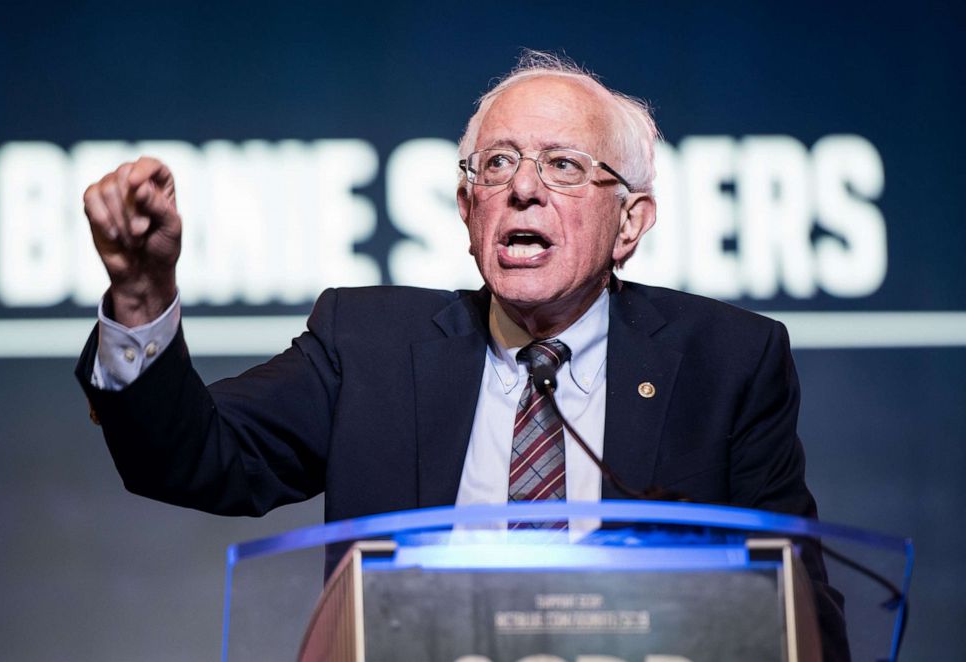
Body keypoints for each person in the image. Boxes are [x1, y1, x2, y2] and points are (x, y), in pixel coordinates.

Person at [77, 51, 848, 659]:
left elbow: (793, 606)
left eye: (564, 165)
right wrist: (142, 297)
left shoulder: (727, 362)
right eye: (498, 163)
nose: (522, 189)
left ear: (630, 223)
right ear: (466, 206)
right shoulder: (367, 343)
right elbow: (193, 458)